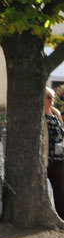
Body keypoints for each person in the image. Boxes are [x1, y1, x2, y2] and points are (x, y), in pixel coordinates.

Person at [44, 88, 64, 220]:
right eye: (48, 97)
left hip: (59, 159)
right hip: (46, 159)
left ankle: (61, 217)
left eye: (52, 98)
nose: (51, 101)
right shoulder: (38, 115)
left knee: (61, 192)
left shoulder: (56, 113)